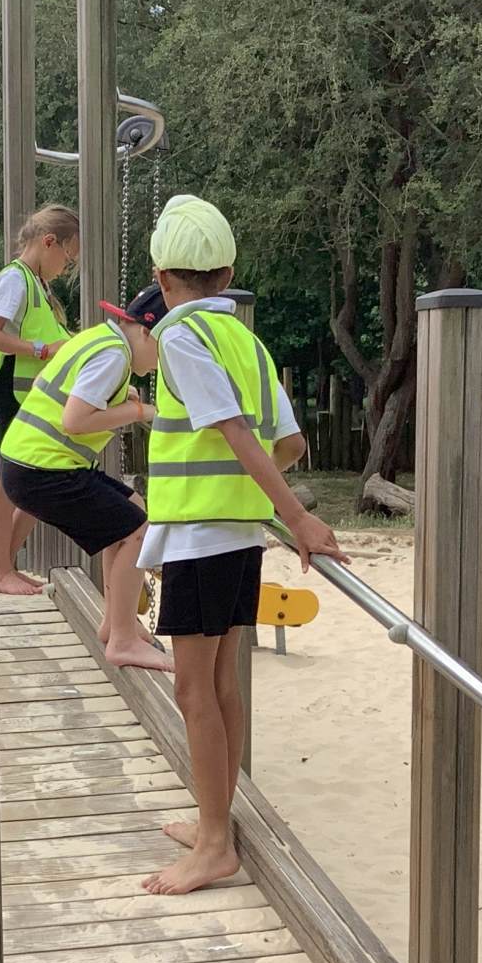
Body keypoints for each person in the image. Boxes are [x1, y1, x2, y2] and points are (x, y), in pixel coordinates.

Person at [134, 195, 343, 897]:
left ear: (162, 279)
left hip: (198, 537)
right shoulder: (249, 344)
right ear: (227, 275)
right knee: (222, 685)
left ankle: (215, 842)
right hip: (237, 538)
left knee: (193, 689)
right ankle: (212, 820)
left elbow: (232, 432)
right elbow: (290, 443)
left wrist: (298, 518)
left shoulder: (179, 338)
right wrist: (254, 498)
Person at [0, 282, 172, 673]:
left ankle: (116, 622)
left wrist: (120, 399)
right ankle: (123, 640)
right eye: (164, 350)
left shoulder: (96, 338)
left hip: (28, 463)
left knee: (131, 509)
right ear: (147, 333)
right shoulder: (113, 355)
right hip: (44, 470)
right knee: (139, 530)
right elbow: (75, 420)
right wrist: (140, 412)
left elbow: (59, 389)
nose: (161, 363)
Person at [0, 204, 80, 597]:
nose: (66, 267)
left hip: (33, 399)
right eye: (67, 258)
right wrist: (42, 349)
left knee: (32, 481)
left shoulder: (37, 285)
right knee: (10, 481)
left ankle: (5, 563)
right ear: (49, 242)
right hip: (14, 391)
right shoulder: (16, 279)